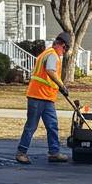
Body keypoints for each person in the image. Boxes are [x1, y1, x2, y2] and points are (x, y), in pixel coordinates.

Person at [16, 32, 70, 164]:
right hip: (37, 96)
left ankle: (54, 153)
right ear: (62, 45)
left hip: (47, 97)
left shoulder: (46, 53)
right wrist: (62, 85)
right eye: (65, 49)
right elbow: (50, 71)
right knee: (31, 126)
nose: (64, 52)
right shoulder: (52, 55)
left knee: (52, 125)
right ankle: (21, 153)